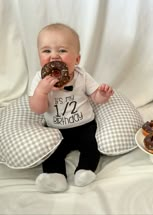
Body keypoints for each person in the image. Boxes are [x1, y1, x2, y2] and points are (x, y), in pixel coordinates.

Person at [29, 23, 114, 193]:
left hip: (85, 125)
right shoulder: (39, 79)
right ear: (39, 56)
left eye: (62, 50)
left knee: (91, 146)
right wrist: (41, 92)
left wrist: (102, 96)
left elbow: (94, 96)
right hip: (56, 129)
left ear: (77, 59)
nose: (54, 57)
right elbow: (38, 109)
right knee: (52, 152)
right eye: (46, 51)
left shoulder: (82, 75)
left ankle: (84, 171)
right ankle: (55, 176)